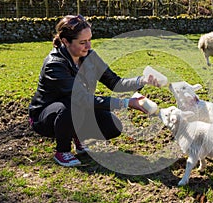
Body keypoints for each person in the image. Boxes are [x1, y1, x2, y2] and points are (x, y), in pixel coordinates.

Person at [28, 14, 161, 167]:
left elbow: (115, 82)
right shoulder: (55, 65)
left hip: (77, 108)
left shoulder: (90, 57)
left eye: (90, 40)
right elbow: (81, 98)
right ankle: (62, 151)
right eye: (82, 42)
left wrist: (142, 80)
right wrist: (126, 103)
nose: (89, 46)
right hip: (46, 117)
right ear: (65, 41)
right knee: (71, 104)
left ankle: (78, 137)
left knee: (112, 126)